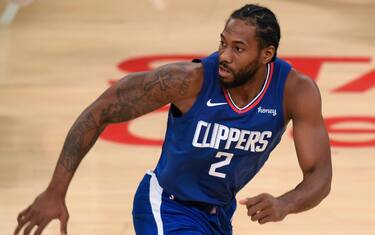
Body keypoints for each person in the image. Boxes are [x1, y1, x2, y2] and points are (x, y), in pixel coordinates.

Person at [14, 4, 332, 235]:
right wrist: (55, 191)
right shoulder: (188, 80)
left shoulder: (296, 92)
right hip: (166, 205)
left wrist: (285, 204)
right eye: (223, 43)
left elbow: (320, 175)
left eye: (238, 49)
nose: (224, 55)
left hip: (218, 215)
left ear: (266, 55)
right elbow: (100, 110)